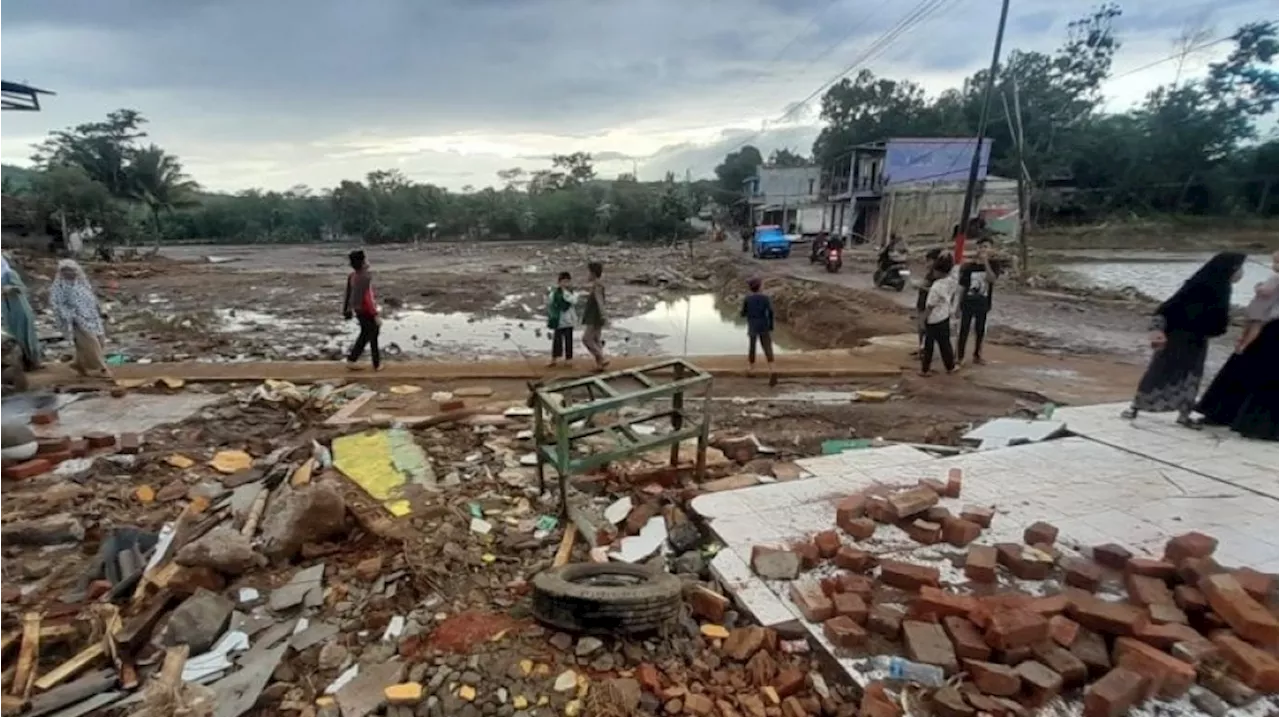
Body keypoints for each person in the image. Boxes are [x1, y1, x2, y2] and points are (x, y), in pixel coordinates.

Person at [1121, 252, 1246, 426]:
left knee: (1180, 375)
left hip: (1192, 339)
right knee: (1172, 374)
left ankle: (1173, 412)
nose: (1241, 273)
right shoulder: (1207, 287)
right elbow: (1168, 309)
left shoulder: (1215, 286)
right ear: (1230, 269)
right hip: (1181, 338)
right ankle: (1143, 407)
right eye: (1239, 268)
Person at [1195, 250, 1280, 437]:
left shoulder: (1275, 280)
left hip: (1269, 326)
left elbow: (1264, 296)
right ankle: (1234, 416)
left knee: (1251, 368)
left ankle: (1229, 416)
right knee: (1251, 369)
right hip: (1267, 325)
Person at [49, 259, 111, 378]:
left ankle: (79, 364)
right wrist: (69, 315)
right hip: (77, 319)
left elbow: (92, 298)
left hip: (92, 317)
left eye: (72, 270)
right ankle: (101, 369)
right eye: (66, 271)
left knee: (100, 341)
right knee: (91, 343)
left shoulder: (82, 283)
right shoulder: (59, 287)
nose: (70, 273)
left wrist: (101, 310)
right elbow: (57, 304)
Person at [956, 240, 999, 364]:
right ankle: (959, 356)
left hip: (983, 302)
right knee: (964, 329)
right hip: (968, 301)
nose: (983, 250)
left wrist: (985, 262)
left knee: (980, 330)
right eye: (981, 247)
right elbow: (963, 287)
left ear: (991, 249)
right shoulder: (969, 267)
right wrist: (958, 305)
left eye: (986, 247)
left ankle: (977, 355)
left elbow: (992, 279)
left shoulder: (994, 265)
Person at [0, 255, 41, 370]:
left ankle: (33, 361)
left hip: (20, 307)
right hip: (6, 309)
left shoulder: (9, 273)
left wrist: (10, 288)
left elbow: (22, 288)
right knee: (13, 335)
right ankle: (21, 363)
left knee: (26, 333)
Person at [920, 254, 959, 376]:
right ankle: (950, 367)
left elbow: (930, 306)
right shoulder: (951, 282)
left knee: (928, 345)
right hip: (944, 317)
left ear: (938, 271)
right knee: (945, 344)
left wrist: (922, 319)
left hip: (932, 319)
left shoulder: (936, 286)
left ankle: (925, 369)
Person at [343, 250, 381, 371]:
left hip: (359, 311)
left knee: (365, 335)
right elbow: (367, 298)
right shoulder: (364, 277)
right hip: (366, 311)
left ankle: (352, 360)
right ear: (363, 263)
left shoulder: (352, 276)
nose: (368, 261)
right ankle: (376, 364)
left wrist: (347, 310)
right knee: (373, 334)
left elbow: (348, 294)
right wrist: (375, 314)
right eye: (366, 259)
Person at [741, 277, 778, 387]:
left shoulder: (747, 299)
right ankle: (773, 370)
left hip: (753, 325)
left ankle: (752, 369)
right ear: (760, 287)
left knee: (752, 347)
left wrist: (746, 314)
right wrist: (771, 326)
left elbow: (743, 313)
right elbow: (770, 312)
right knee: (767, 347)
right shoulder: (765, 298)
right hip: (764, 325)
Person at [913, 248, 943, 355]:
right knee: (921, 327)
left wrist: (920, 286)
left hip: (929, 305)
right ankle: (921, 348)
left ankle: (925, 351)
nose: (927, 263)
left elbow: (936, 291)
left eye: (929, 260)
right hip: (922, 302)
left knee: (926, 328)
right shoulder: (930, 273)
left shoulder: (939, 275)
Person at [580, 261, 608, 371]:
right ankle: (600, 365)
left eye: (588, 273)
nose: (587, 275)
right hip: (597, 315)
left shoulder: (597, 285)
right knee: (596, 339)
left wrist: (603, 315)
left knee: (586, 339)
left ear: (593, 273)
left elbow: (600, 301)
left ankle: (602, 358)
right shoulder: (598, 284)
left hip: (594, 316)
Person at [546, 271, 577, 367]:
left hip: (568, 321)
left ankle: (568, 360)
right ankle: (554, 359)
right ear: (559, 282)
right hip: (558, 320)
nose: (565, 284)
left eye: (567, 282)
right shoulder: (554, 293)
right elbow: (550, 302)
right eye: (563, 282)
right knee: (557, 341)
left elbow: (574, 301)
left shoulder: (571, 293)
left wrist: (565, 294)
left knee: (569, 341)